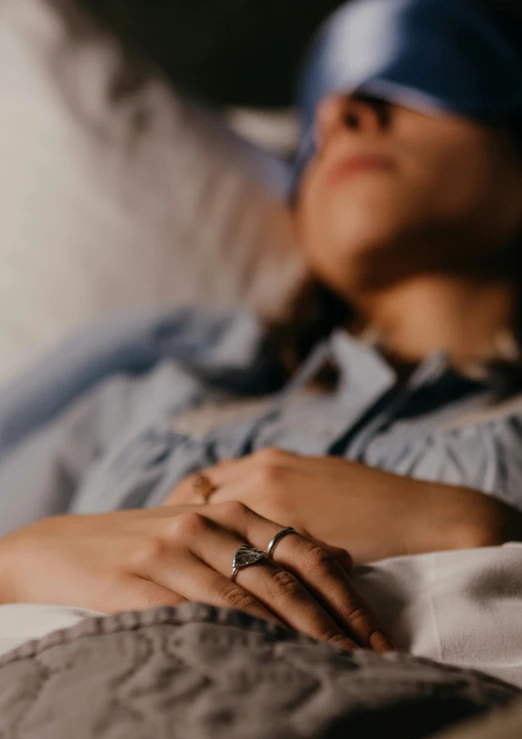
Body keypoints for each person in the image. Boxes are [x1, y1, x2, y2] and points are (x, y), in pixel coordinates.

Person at [1, 0, 522, 659]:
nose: (342, 115)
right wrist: (16, 561)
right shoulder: (157, 385)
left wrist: (483, 528)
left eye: (418, 79)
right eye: (316, 122)